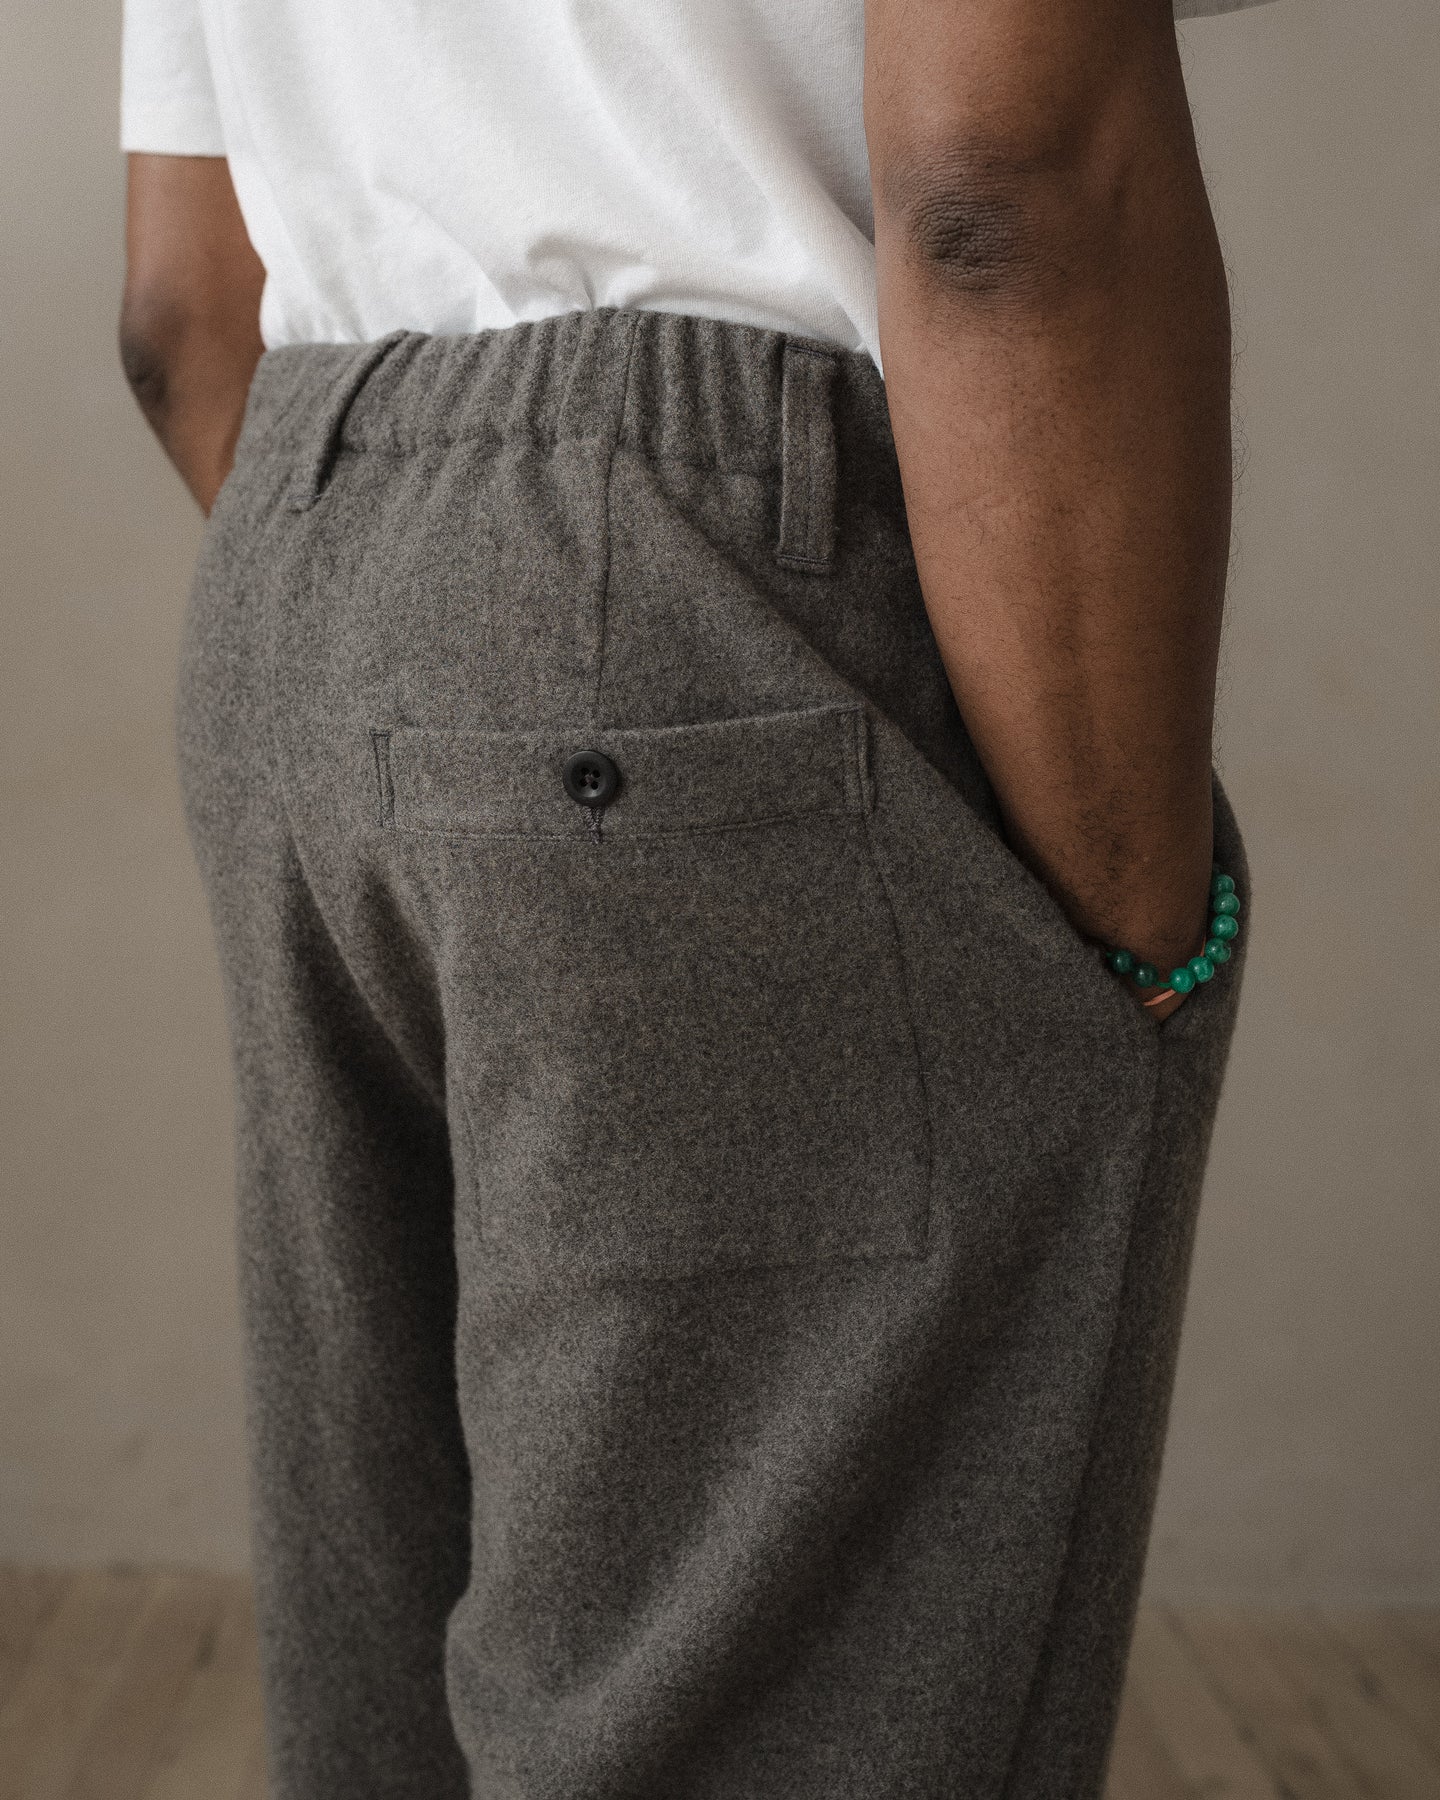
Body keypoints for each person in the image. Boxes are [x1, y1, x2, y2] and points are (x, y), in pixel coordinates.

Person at [118, 0, 1268, 1793]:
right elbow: (999, 175)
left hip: (301, 572)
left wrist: (431, 671)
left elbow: (181, 309)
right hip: (706, 601)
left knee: (388, 1685)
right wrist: (1140, 923)